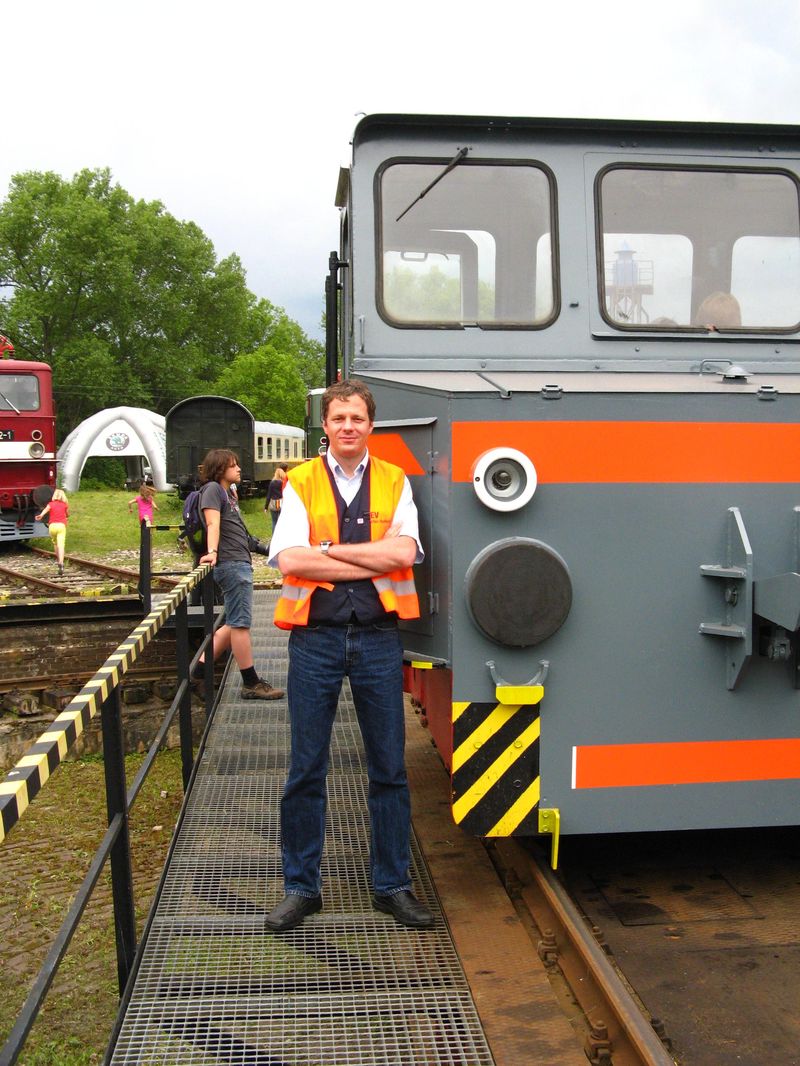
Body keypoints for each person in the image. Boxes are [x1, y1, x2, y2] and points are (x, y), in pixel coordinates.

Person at [264, 380, 433, 932]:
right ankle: (301, 887)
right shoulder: (301, 483)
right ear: (326, 426)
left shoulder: (394, 480)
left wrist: (329, 554)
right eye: (338, 419)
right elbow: (290, 558)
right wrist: (369, 561)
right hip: (314, 639)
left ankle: (392, 885)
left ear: (371, 425)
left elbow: (406, 550)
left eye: (357, 418)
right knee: (305, 767)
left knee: (389, 767)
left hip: (380, 639)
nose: (348, 427)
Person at [193, 448, 284, 701]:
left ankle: (197, 673)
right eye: (233, 466)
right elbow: (213, 523)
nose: (239, 469)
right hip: (232, 565)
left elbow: (241, 535)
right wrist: (212, 551)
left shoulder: (228, 494)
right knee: (241, 625)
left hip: (238, 562)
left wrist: (270, 549)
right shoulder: (212, 489)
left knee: (232, 623)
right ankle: (250, 682)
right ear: (220, 469)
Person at [35, 488, 69, 576]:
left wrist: (40, 516)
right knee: (61, 545)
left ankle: (58, 559)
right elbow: (67, 514)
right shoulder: (64, 505)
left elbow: (45, 511)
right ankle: (61, 563)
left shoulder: (50, 504)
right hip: (61, 526)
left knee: (55, 543)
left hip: (52, 526)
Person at [264, 465, 288, 536]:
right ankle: (282, 535)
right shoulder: (283, 482)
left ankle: (274, 536)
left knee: (274, 521)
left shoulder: (272, 482)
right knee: (282, 521)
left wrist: (266, 507)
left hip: (273, 504)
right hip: (281, 503)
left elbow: (269, 495)